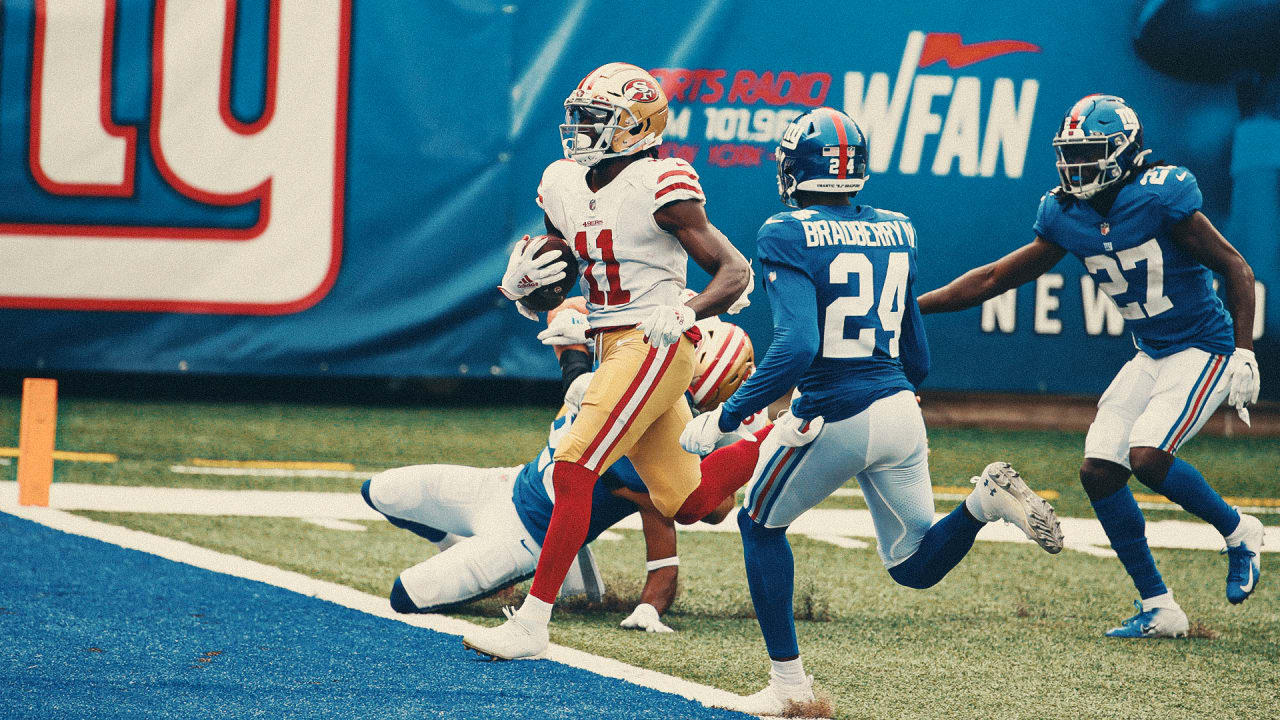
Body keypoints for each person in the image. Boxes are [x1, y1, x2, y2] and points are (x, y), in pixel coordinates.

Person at [680, 107, 1064, 717]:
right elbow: (916, 345)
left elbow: (799, 345)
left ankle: (790, 688)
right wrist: (899, 393)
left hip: (833, 411)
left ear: (796, 167)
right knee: (913, 564)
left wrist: (728, 416)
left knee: (758, 523)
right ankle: (984, 500)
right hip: (896, 408)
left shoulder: (786, 230)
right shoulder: (896, 227)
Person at [917, 94, 1264, 638]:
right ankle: (1159, 606)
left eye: (1090, 153)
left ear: (1124, 154)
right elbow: (992, 280)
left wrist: (1243, 350)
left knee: (1147, 455)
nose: (1076, 166)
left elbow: (1235, 267)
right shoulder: (1065, 214)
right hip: (1151, 351)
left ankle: (1239, 530)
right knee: (1099, 471)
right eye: (1070, 153)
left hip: (1203, 346)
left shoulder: (1161, 196)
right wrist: (914, 309)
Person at [462, 62, 751, 660]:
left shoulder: (661, 183)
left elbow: (735, 272)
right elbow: (560, 273)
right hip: (608, 343)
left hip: (655, 342)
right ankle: (777, 436)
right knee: (690, 503)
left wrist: (687, 312)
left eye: (595, 119)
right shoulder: (563, 182)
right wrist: (523, 287)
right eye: (578, 116)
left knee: (571, 467)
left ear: (635, 127)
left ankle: (531, 625)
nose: (579, 129)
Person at [363, 300, 757, 631]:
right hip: (508, 482)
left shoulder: (665, 446)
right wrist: (575, 371)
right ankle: (455, 546)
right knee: (379, 491)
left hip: (526, 536)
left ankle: (508, 572)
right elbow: (564, 311)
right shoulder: (633, 357)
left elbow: (680, 528)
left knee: (405, 594)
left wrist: (650, 605)